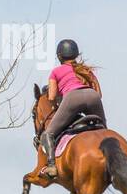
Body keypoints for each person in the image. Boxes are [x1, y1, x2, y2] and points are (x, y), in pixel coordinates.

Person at [40, 38, 105, 178]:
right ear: (76, 54)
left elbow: (51, 97)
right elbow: (99, 94)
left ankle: (51, 166)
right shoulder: (86, 70)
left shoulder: (55, 72)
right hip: (92, 96)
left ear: (59, 56)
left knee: (47, 134)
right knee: (104, 131)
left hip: (71, 98)